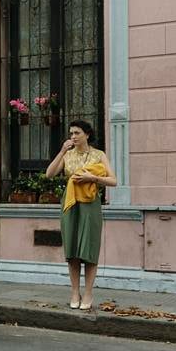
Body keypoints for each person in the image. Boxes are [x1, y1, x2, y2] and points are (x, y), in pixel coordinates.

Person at [45, 120, 116, 311]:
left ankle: (88, 293)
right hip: (70, 204)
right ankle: (75, 292)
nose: (73, 137)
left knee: (89, 249)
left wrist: (92, 178)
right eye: (71, 133)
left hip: (91, 205)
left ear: (87, 134)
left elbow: (113, 180)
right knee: (73, 250)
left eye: (77, 133)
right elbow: (49, 174)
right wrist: (61, 152)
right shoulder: (67, 154)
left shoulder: (98, 154)